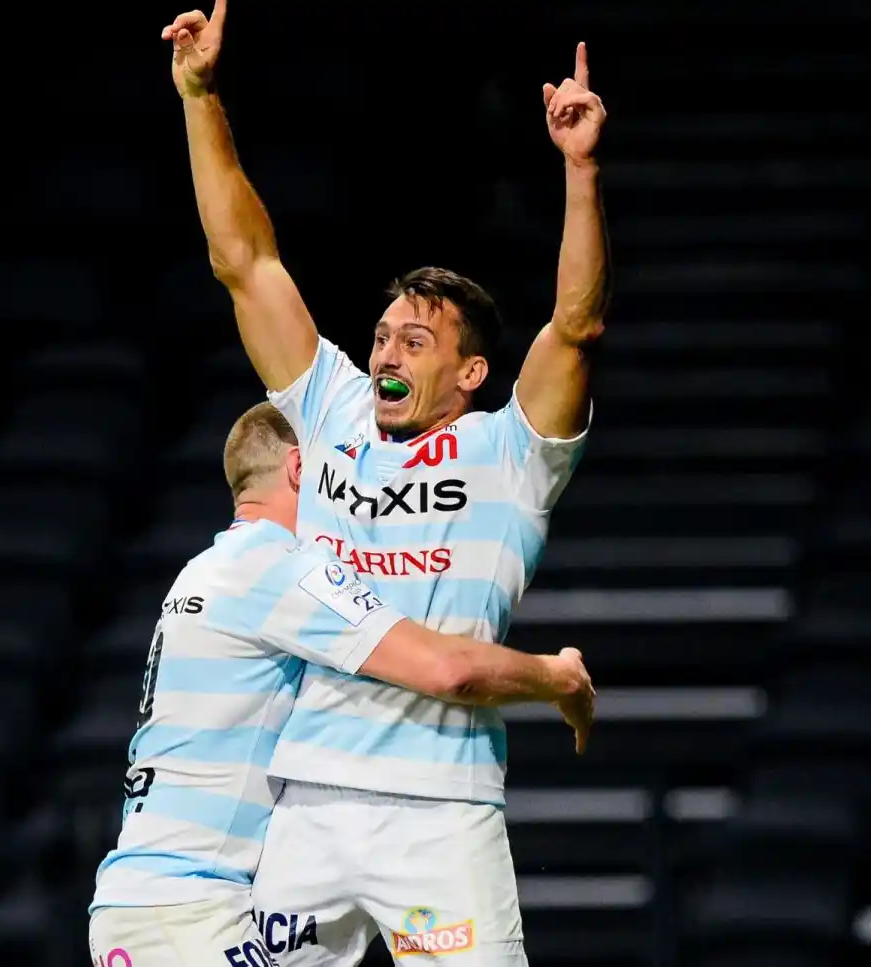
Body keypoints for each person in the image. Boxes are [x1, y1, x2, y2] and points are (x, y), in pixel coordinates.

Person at [163, 3, 609, 962]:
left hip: (442, 814)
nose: (385, 352)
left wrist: (579, 172)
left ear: (470, 373)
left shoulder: (511, 454)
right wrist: (201, 98)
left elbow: (574, 326)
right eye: (380, 336)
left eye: (416, 340)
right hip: (310, 805)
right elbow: (244, 262)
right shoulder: (330, 409)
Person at [88, 403, 595, 967]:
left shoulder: (202, 569)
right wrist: (556, 677)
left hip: (142, 901)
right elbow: (446, 670)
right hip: (182, 912)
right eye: (341, 468)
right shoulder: (279, 569)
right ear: (304, 469)